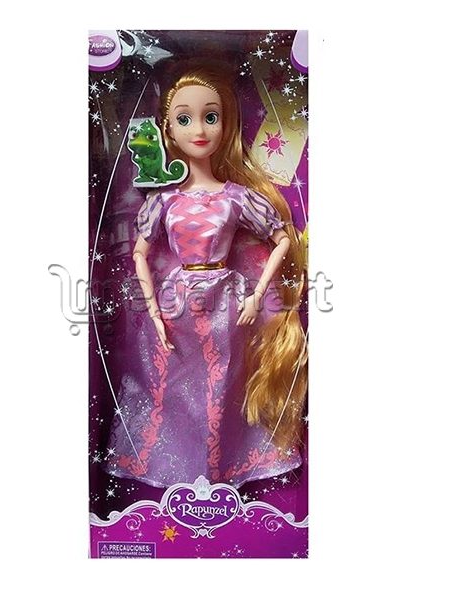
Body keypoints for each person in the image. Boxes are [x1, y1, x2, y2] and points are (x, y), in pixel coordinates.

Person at [105, 65, 307, 489]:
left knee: (223, 384)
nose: (198, 129)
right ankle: (167, 467)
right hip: (175, 305)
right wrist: (154, 312)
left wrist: (256, 296)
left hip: (226, 304)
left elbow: (282, 240)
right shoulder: (164, 201)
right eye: (185, 119)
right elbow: (140, 253)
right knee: (170, 388)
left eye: (210, 117)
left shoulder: (236, 197)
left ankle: (225, 464)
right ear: (168, 130)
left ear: (224, 124)